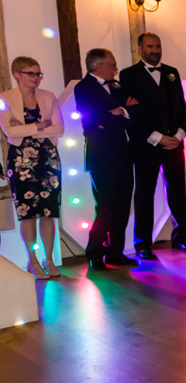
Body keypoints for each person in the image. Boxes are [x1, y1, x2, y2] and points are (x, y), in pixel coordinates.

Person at [119, 32, 186, 260]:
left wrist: (180, 134)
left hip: (175, 144)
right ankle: (142, 244)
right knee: (144, 194)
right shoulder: (128, 75)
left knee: (178, 191)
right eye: (150, 46)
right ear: (140, 48)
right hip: (146, 146)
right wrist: (157, 137)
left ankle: (181, 237)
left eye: (158, 46)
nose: (155, 50)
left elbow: (180, 105)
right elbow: (132, 112)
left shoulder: (172, 72)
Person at [74, 49, 138, 271]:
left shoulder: (117, 86)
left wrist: (120, 112)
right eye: (112, 64)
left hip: (124, 155)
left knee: (122, 205)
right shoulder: (83, 87)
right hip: (101, 156)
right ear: (98, 65)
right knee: (105, 206)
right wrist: (118, 113)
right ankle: (94, 252)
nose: (116, 68)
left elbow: (133, 111)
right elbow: (92, 120)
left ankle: (115, 252)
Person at [0, 57, 64, 279]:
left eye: (39, 74)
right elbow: (10, 132)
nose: (37, 78)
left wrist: (25, 127)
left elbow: (59, 128)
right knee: (27, 213)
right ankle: (33, 261)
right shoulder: (4, 98)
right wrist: (39, 125)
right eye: (31, 74)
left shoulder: (48, 97)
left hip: (49, 159)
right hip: (20, 160)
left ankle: (49, 259)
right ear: (17, 74)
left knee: (49, 211)